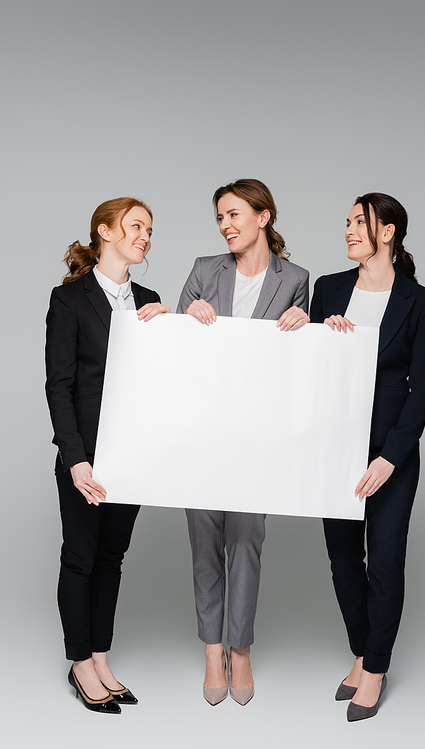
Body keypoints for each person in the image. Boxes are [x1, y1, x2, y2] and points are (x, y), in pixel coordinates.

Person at [177, 178, 310, 705]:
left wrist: (307, 322)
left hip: (258, 434)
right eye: (220, 218)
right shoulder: (204, 270)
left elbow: (298, 365)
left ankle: (241, 650)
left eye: (234, 214)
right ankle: (212, 648)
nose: (226, 225)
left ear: (264, 216)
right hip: (203, 430)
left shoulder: (296, 278)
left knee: (246, 542)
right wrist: (187, 317)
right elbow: (172, 351)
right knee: (204, 540)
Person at [310, 192, 425, 722]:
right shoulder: (329, 289)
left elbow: (422, 390)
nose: (346, 232)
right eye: (345, 223)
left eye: (356, 223)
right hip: (334, 450)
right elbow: (310, 370)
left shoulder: (422, 302)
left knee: (384, 561)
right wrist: (325, 339)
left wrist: (390, 457)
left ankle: (376, 669)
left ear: (386, 232)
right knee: (344, 561)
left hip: (390, 456)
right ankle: (362, 651)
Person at [45, 197, 169, 713]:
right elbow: (60, 385)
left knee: (111, 560)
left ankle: (100, 655)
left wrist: (171, 330)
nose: (145, 236)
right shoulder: (69, 299)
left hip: (132, 457)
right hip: (87, 457)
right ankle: (80, 664)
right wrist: (75, 459)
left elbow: (163, 382)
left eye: (149, 229)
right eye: (136, 226)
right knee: (80, 557)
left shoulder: (150, 298)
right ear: (105, 231)